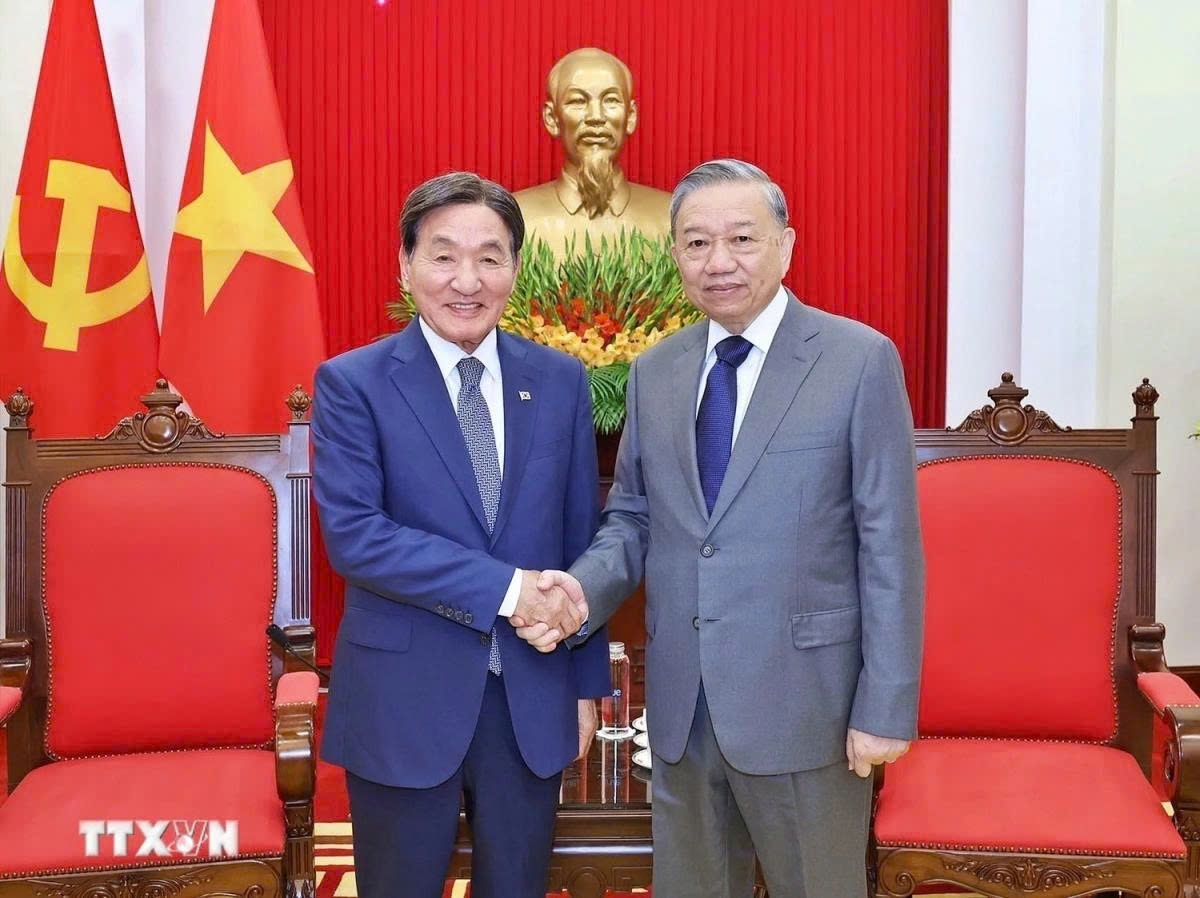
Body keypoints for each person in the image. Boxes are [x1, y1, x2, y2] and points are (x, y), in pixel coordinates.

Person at [527, 159, 925, 897]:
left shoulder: (857, 360)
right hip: (683, 704)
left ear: (786, 245)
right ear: (674, 254)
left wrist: (885, 705)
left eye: (742, 238)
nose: (719, 262)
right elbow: (636, 517)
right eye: (697, 242)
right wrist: (576, 593)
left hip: (810, 704)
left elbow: (890, 546)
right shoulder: (658, 371)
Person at [312, 171, 610, 898]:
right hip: (401, 699)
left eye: (490, 256)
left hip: (532, 697)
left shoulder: (562, 380)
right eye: (443, 256)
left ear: (516, 267)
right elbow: (358, 537)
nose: (466, 280)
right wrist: (509, 590)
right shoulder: (354, 383)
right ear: (406, 268)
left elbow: (580, 537)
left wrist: (586, 685)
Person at [514, 47, 671, 256]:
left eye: (611, 100)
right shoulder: (513, 220)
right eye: (578, 101)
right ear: (552, 118)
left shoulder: (672, 219)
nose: (596, 116)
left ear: (630, 117)